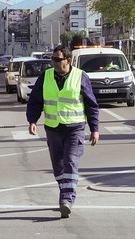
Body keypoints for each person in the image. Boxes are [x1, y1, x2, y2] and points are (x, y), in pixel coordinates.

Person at [26, 45, 100, 218]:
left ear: (68, 60)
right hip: (52, 129)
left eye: (57, 59)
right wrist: (32, 120)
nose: (54, 63)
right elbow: (35, 101)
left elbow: (91, 105)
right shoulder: (45, 77)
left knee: (70, 162)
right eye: (53, 59)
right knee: (58, 167)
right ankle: (66, 189)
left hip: (75, 128)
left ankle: (66, 199)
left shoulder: (80, 76)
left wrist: (94, 129)